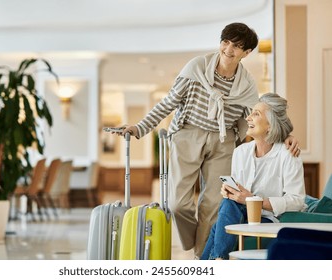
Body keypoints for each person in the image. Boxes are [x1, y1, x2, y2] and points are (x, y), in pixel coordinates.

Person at [119, 22, 300, 258]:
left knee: (212, 205)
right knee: (178, 204)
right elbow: (169, 102)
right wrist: (140, 127)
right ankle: (199, 242)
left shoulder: (246, 84)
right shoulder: (197, 67)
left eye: (236, 46)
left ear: (246, 53)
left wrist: (285, 134)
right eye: (225, 42)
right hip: (187, 134)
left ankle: (202, 256)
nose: (228, 49)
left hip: (223, 141)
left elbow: (261, 114)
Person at [200, 93, 306, 260]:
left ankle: (212, 262)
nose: (248, 117)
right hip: (240, 214)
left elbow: (297, 200)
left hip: (269, 219)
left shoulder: (288, 155)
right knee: (228, 203)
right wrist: (231, 191)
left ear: (270, 125)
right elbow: (237, 197)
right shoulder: (240, 152)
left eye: (256, 114)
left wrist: (253, 200)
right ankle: (217, 261)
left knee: (218, 227)